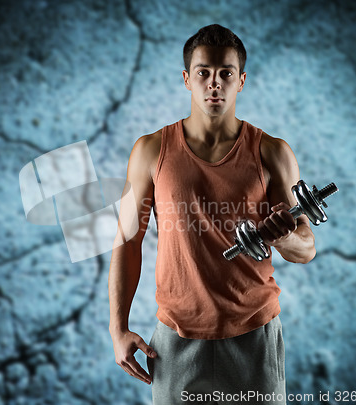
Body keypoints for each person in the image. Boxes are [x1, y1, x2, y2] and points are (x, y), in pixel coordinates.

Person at [108, 24, 316, 405]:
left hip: (254, 334)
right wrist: (117, 327)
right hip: (175, 339)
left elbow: (306, 247)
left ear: (242, 81)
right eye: (203, 73)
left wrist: (283, 235)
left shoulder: (273, 153)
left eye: (226, 74)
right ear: (187, 79)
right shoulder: (150, 150)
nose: (214, 84)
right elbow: (127, 238)